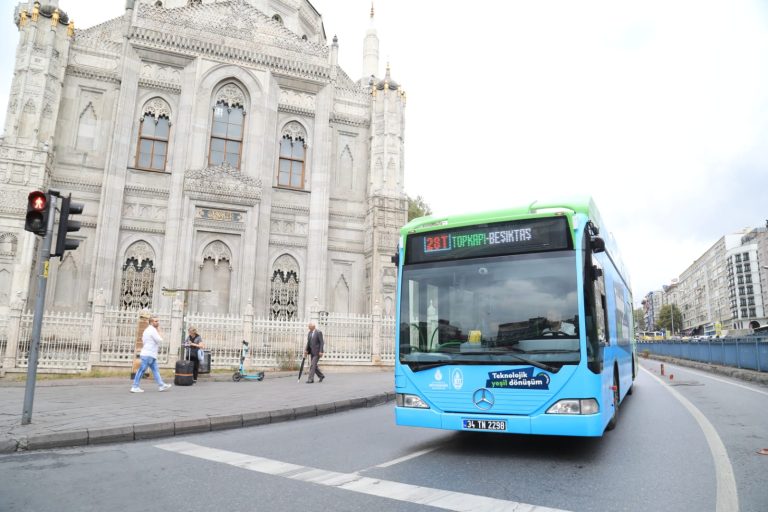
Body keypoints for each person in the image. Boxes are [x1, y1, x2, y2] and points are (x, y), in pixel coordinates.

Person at [130, 316, 172, 393]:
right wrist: (159, 331)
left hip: (150, 354)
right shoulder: (152, 330)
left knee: (155, 370)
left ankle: (161, 385)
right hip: (148, 354)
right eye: (156, 321)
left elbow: (144, 341)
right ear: (151, 322)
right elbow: (160, 340)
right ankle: (135, 386)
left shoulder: (147, 330)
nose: (158, 323)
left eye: (158, 321)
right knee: (141, 370)